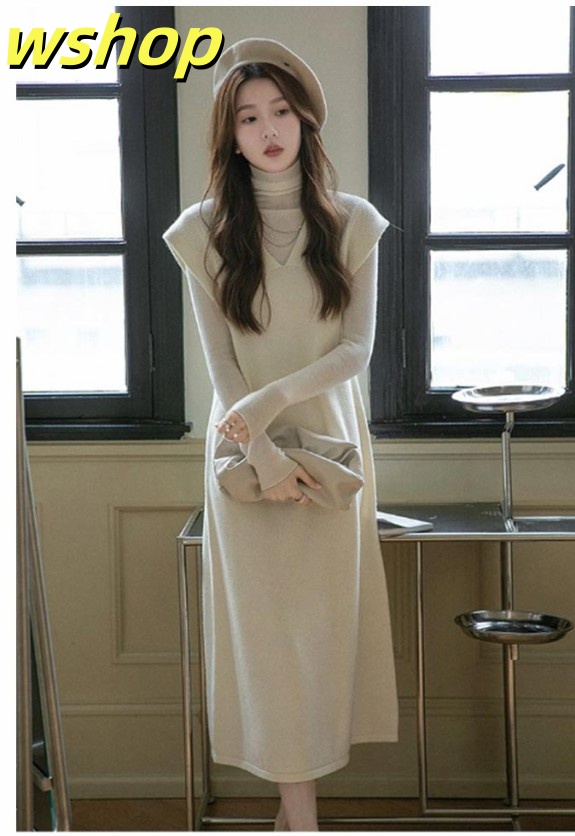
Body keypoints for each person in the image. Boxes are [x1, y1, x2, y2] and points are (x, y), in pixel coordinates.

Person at [164, 38, 398, 832]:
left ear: (305, 121)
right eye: (248, 118)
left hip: (330, 448)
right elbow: (220, 364)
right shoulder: (198, 233)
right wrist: (261, 450)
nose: (268, 130)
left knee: (323, 635)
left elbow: (355, 351)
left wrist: (272, 401)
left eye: (281, 112)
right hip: (243, 457)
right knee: (264, 639)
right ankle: (300, 819)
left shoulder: (355, 224)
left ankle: (293, 816)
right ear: (230, 137)